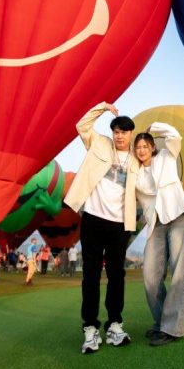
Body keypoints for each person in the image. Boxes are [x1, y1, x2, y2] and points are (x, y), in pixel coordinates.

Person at [63, 102, 139, 354]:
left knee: (117, 275)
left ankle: (115, 325)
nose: (119, 135)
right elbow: (81, 125)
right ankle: (90, 328)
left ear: (131, 134)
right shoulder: (99, 143)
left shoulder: (137, 160)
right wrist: (103, 107)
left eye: (124, 132)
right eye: (116, 131)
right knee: (91, 275)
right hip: (93, 219)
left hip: (120, 225)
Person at [134, 123, 184, 347]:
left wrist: (154, 126)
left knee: (179, 273)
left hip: (179, 217)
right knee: (150, 276)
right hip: (156, 225)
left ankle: (173, 328)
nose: (141, 150)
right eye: (138, 147)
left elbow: (175, 134)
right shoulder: (136, 174)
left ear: (152, 147)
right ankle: (162, 322)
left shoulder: (167, 157)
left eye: (145, 145)